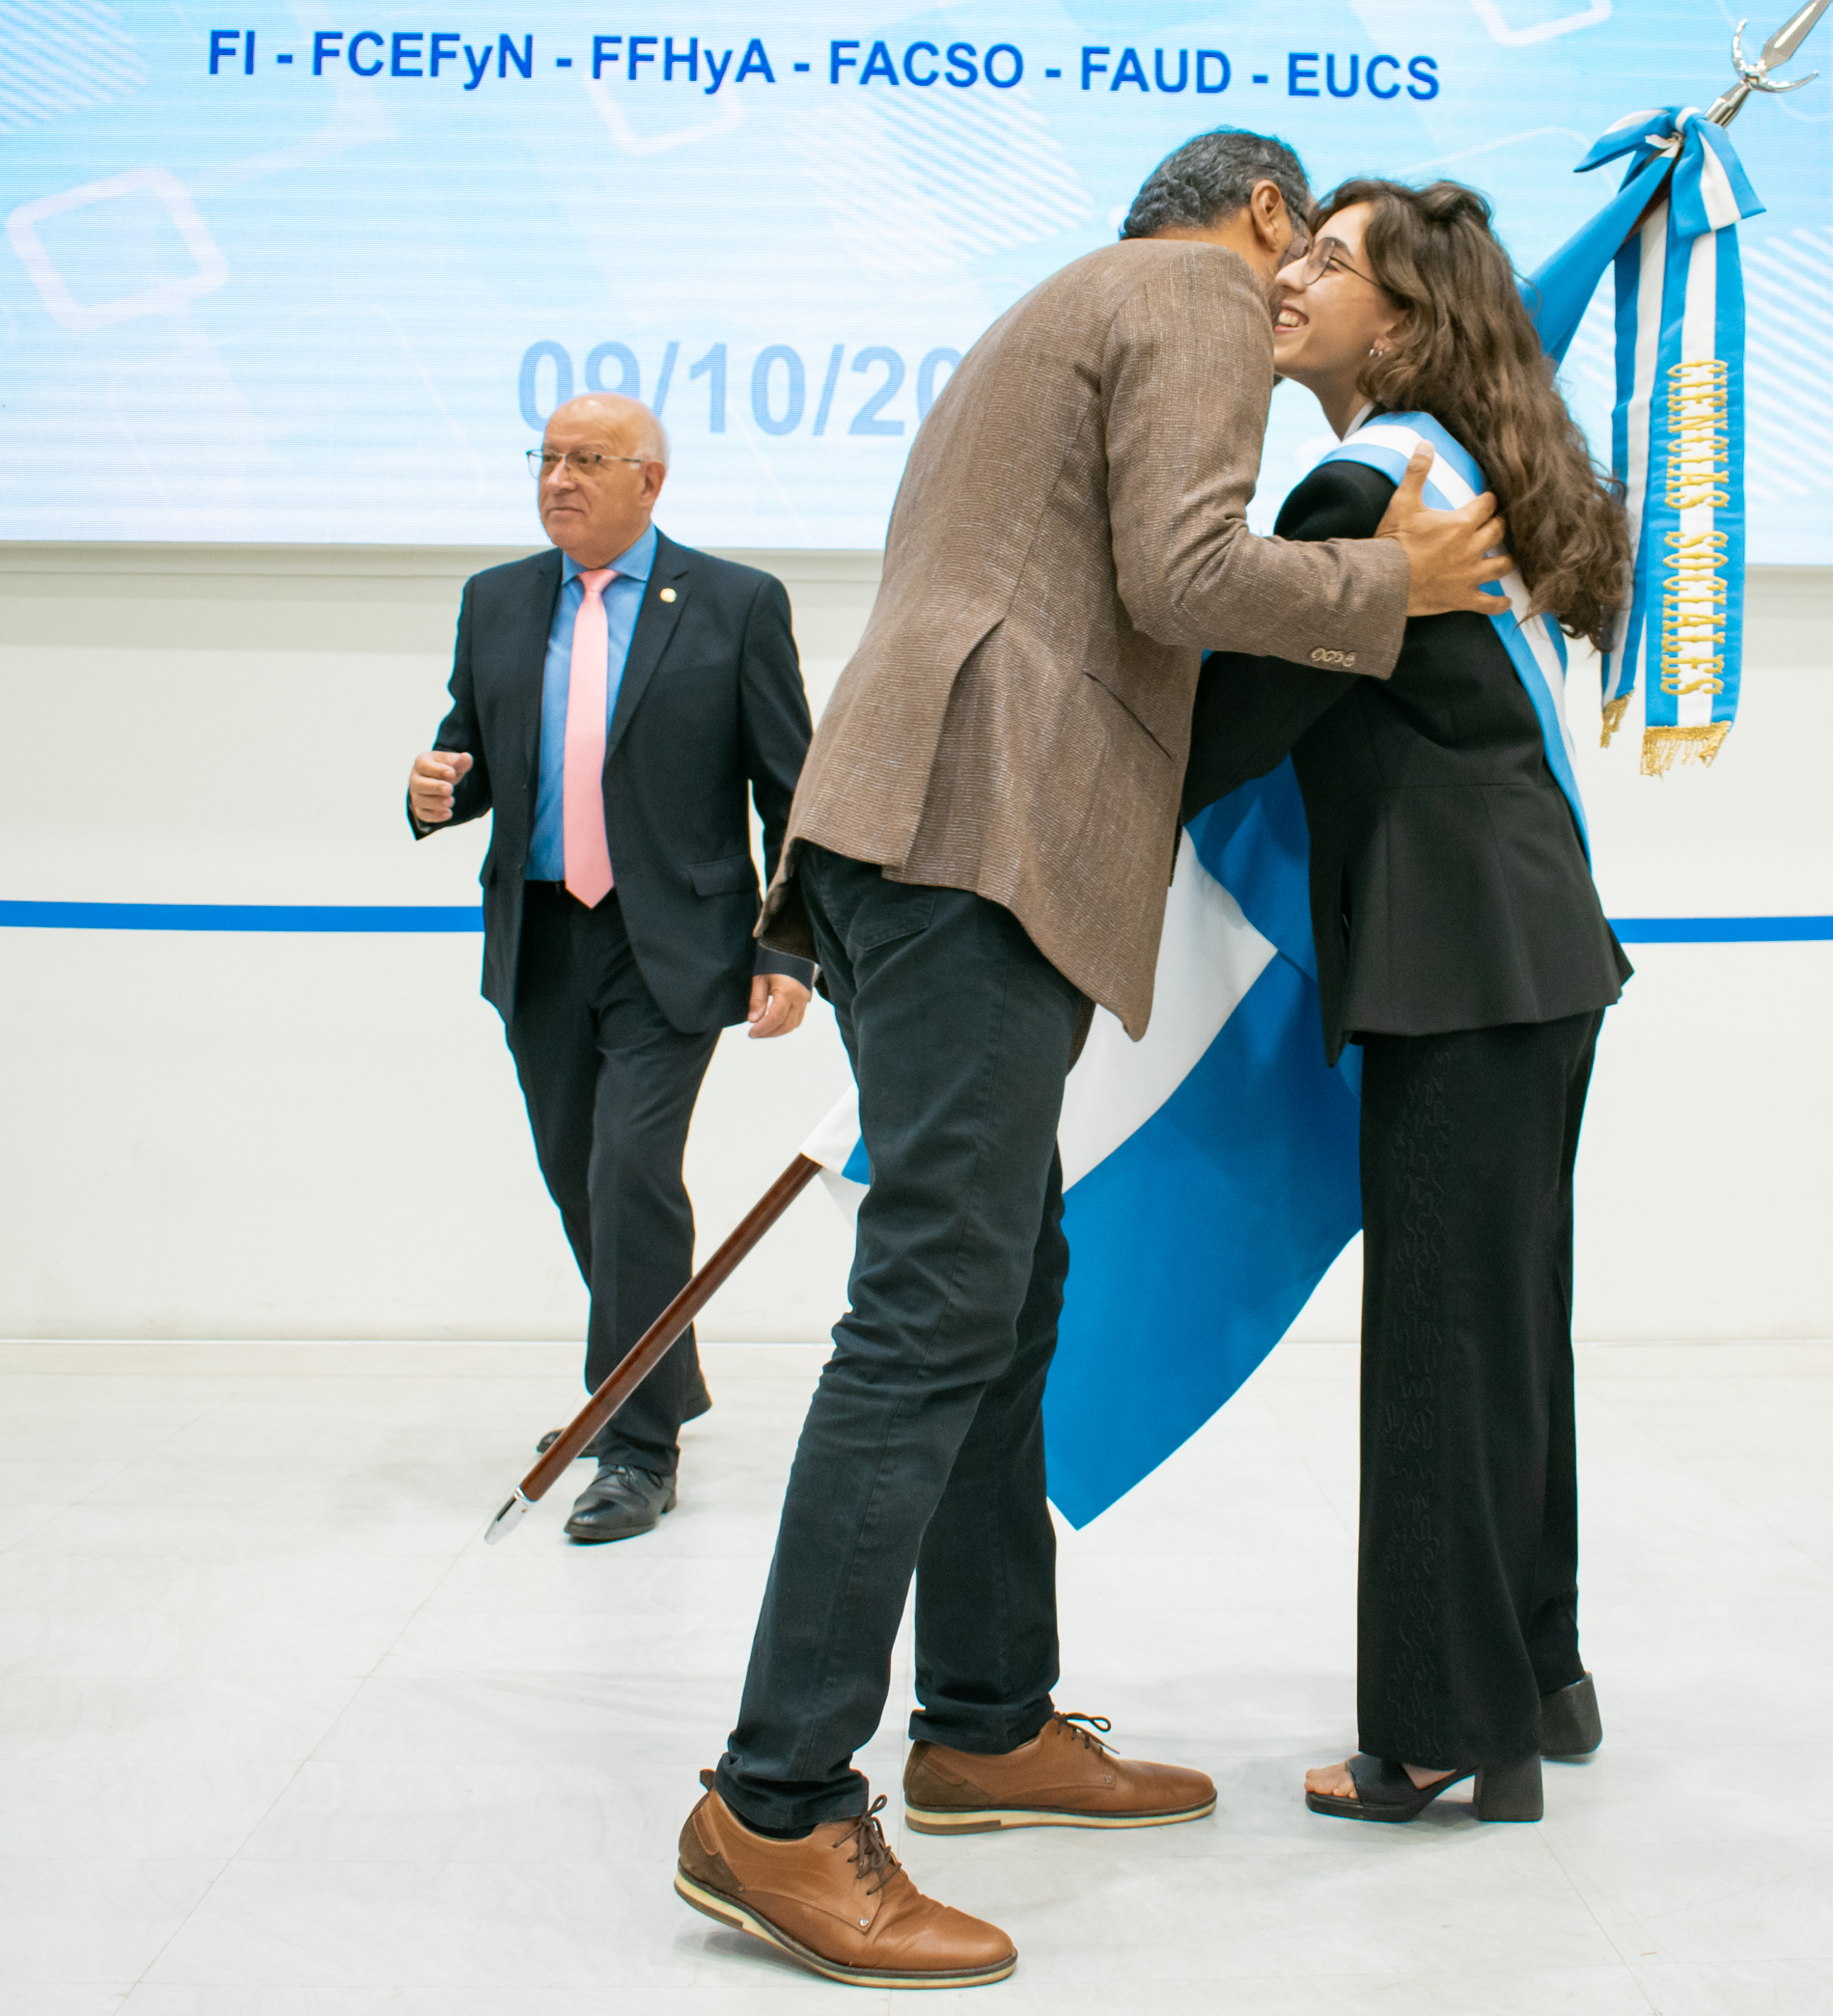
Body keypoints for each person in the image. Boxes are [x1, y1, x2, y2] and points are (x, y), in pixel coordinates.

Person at [668, 129, 1516, 1990]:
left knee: (1004, 1285)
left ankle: (983, 1720)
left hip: (912, 826)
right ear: (1266, 215)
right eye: (1304, 249)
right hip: (977, 831)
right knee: (931, 1312)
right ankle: (775, 1803)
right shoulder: (1196, 297)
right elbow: (1186, 569)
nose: (1297, 288)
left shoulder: (1059, 306)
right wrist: (1396, 585)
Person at [1176, 177, 1630, 1825]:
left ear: (1406, 321)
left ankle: (1442, 1727)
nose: (1290, 276)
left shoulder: (1364, 488)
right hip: (1525, 951)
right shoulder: (1453, 467)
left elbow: (1223, 726)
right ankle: (1537, 1674)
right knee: (1506, 1332)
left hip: (1457, 960)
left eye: (1330, 259)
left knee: (1443, 1335)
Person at [408, 392, 811, 1544]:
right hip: (540, 936)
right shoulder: (496, 599)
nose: (559, 478)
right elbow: (473, 751)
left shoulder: (734, 602)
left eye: (588, 458)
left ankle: (637, 1444)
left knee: (633, 1171)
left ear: (651, 480)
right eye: (546, 457)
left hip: (670, 943)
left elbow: (792, 789)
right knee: (578, 1173)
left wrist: (788, 945)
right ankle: (657, 1376)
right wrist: (435, 789)